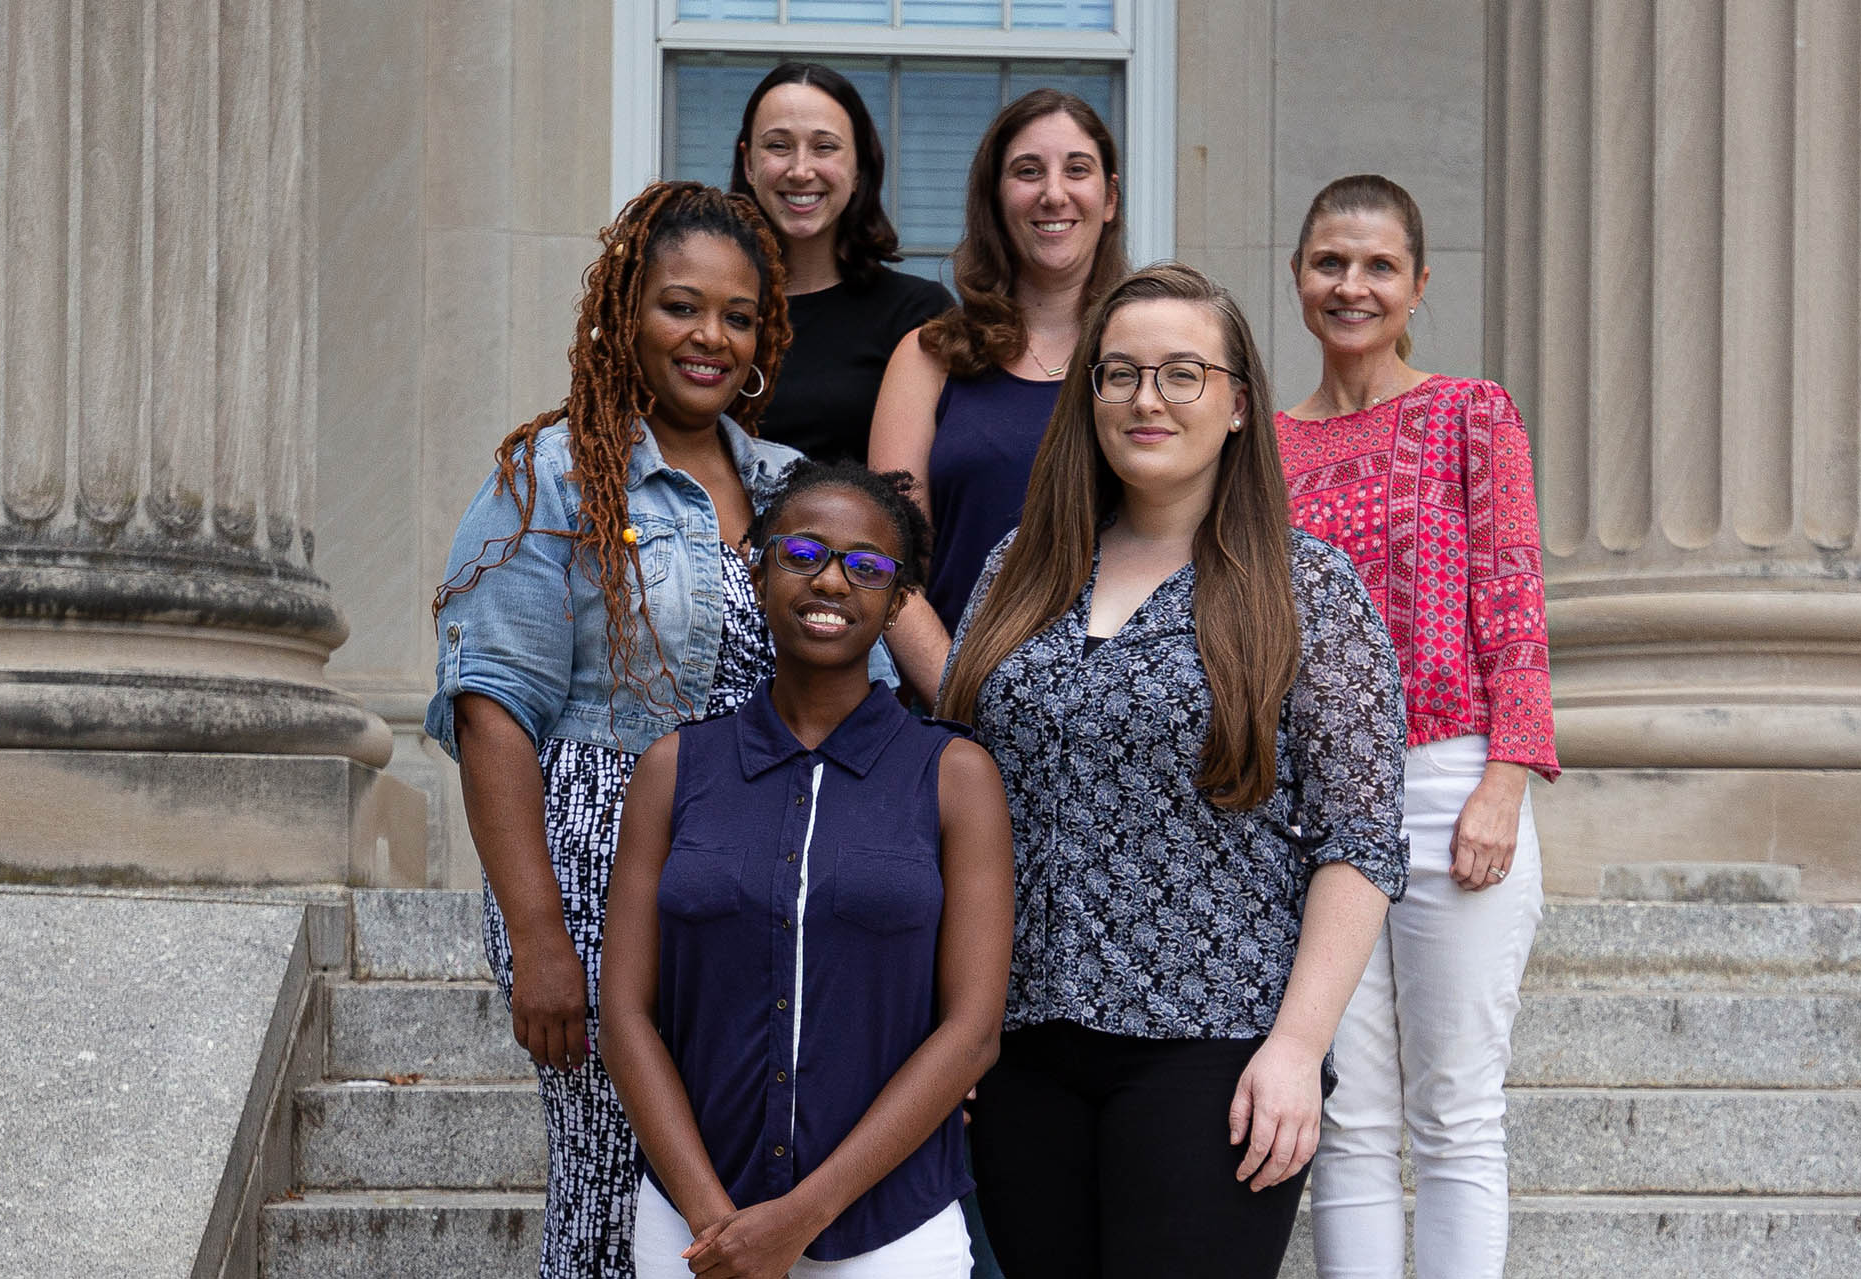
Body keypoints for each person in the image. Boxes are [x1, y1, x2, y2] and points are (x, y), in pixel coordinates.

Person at [425, 181, 889, 1279]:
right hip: (592, 868)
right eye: (682, 307)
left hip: (762, 872)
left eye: (737, 315)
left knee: (731, 1173)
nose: (710, 338)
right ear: (623, 312)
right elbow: (493, 708)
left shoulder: (789, 492)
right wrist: (539, 936)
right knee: (605, 1174)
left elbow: (856, 667)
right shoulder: (552, 476)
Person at [938, 262, 1411, 1278]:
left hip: (1216, 1050)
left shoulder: (1308, 589)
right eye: (1120, 374)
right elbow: (951, 805)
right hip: (1019, 1051)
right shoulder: (1017, 569)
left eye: (1182, 373)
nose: (1147, 398)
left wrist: (1296, 1048)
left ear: (1239, 402)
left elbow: (1360, 842)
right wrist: (949, 1025)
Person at [601, 459, 1015, 1279]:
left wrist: (799, 1216)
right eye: (802, 554)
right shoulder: (674, 769)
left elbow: (971, 1034)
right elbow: (623, 1014)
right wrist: (716, 1219)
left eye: (866, 566)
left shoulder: (954, 775)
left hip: (892, 1232)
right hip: (693, 1229)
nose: (832, 580)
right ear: (757, 573)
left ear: (897, 603)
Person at [1274, 173, 1559, 1279]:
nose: (1352, 285)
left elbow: (1514, 598)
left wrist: (1506, 779)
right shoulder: (1263, 447)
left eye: (1378, 265)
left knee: (1455, 1111)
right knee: (1346, 1117)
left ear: (1419, 285)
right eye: (1330, 262)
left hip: (1451, 781)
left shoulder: (1470, 413)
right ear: (1299, 276)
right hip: (1312, 806)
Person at [869, 88, 1128, 700]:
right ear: (994, 196)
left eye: (1077, 170)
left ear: (1110, 198)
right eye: (1027, 171)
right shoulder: (929, 357)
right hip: (955, 718)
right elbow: (888, 563)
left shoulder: (1144, 362)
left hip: (1117, 727)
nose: (1054, 194)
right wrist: (963, 700)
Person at [731, 62, 953, 464]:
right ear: (748, 164)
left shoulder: (916, 315)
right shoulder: (713, 312)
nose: (800, 170)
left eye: (824, 147)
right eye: (778, 146)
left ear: (858, 169)